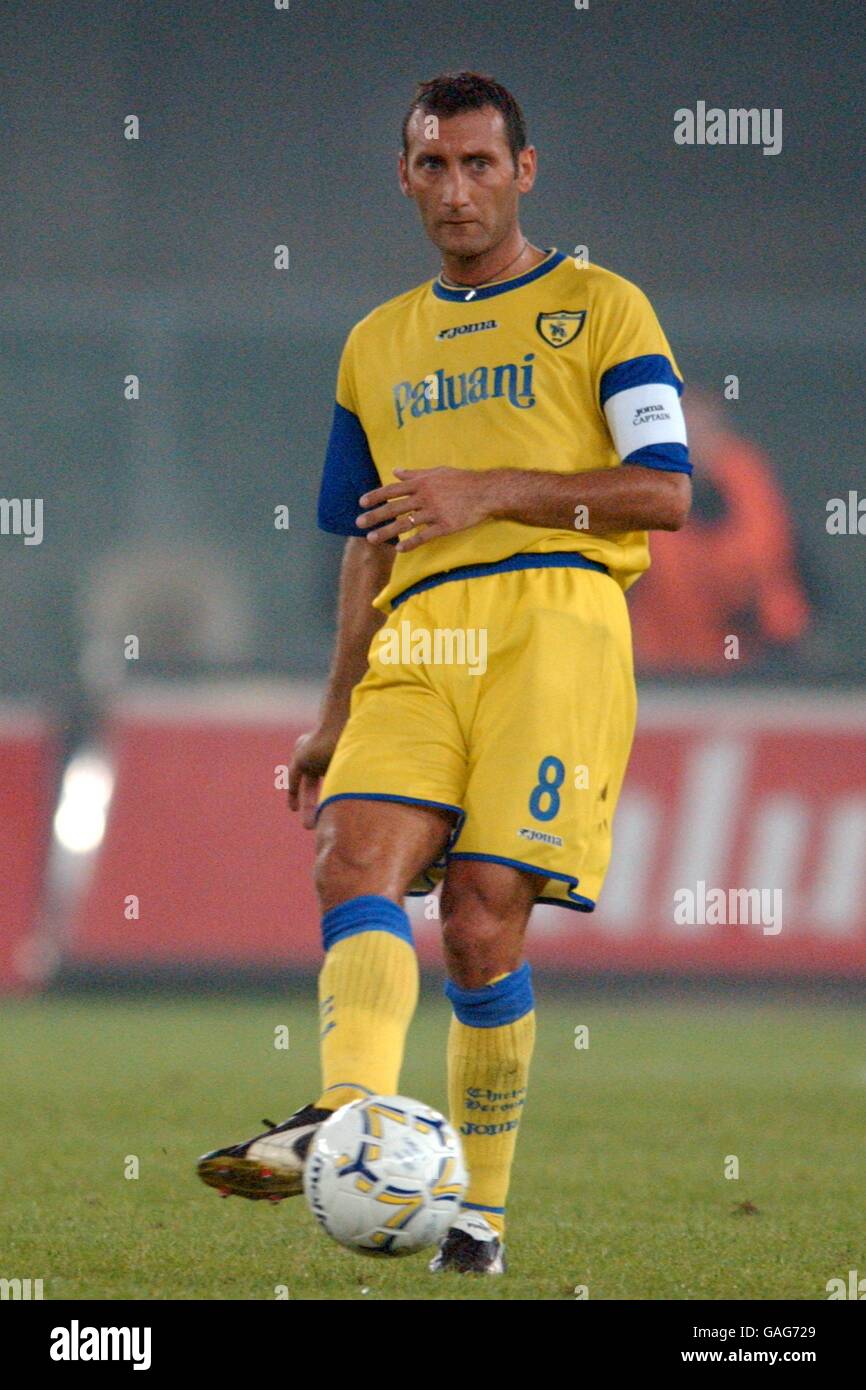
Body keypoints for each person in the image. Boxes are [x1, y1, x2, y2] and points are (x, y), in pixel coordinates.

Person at [197, 70, 692, 1275]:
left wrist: (489, 490)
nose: (456, 188)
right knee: (347, 852)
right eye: (433, 165)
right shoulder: (374, 345)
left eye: (479, 163)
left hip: (555, 629)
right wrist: (329, 715)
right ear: (405, 177)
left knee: (478, 924)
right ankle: (344, 1107)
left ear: (523, 172)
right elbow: (369, 536)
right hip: (417, 639)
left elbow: (665, 492)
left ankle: (480, 1215)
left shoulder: (602, 306)